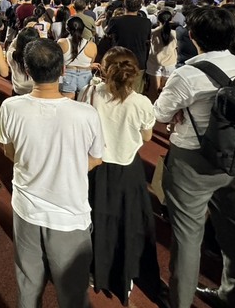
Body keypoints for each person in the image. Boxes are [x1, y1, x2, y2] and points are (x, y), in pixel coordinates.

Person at [154, 7, 235, 308]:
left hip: (193, 159)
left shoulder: (188, 73)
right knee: (233, 226)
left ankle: (180, 302)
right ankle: (234, 294)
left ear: (194, 36)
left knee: (188, 235)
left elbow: (160, 113)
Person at [0, 39, 104, 308]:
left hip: (27, 210)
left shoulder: (11, 108)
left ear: (27, 71)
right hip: (69, 214)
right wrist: (69, 169)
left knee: (28, 285)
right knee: (73, 293)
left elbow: (8, 150)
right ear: (63, 70)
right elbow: (96, 158)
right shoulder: (86, 114)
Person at [80, 47, 162, 305]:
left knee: (94, 218)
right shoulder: (141, 103)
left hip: (95, 167)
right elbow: (148, 136)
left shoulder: (90, 93)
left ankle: (94, 271)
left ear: (103, 70)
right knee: (128, 222)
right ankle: (124, 276)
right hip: (128, 169)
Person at [106, 0, 151, 92]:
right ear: (140, 7)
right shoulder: (146, 22)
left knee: (116, 91)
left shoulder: (115, 21)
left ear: (124, 5)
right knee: (136, 92)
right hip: (139, 60)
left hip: (119, 59)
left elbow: (107, 33)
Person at [57, 17, 97, 99]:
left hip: (67, 75)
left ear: (67, 29)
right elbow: (91, 62)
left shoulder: (62, 42)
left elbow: (58, 61)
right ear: (83, 29)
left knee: (67, 105)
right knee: (83, 103)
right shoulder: (92, 45)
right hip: (85, 76)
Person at [147, 9, 178, 101]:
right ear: (171, 19)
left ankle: (152, 110)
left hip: (154, 62)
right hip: (170, 62)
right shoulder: (175, 34)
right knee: (166, 90)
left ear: (158, 20)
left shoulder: (152, 33)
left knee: (153, 89)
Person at [6, 27, 39, 95]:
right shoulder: (40, 57)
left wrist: (20, 34)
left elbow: (12, 45)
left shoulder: (12, 56)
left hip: (18, 91)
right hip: (35, 92)